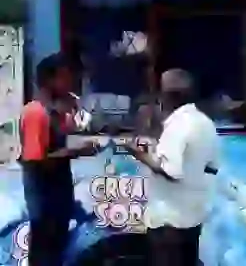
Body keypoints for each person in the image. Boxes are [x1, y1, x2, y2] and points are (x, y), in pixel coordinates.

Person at [121, 69, 219, 266]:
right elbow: (212, 166)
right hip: (193, 217)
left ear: (167, 95)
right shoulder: (206, 123)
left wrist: (137, 153)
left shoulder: (176, 127)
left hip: (169, 221)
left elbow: (170, 171)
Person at [20, 53, 101, 266]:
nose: (70, 83)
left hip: (59, 202)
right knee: (44, 256)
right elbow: (36, 160)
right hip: (44, 204)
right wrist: (78, 152)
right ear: (49, 81)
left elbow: (71, 131)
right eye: (65, 77)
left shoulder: (55, 114)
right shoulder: (35, 113)